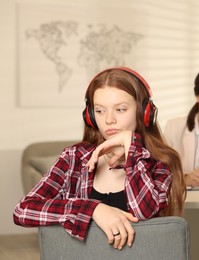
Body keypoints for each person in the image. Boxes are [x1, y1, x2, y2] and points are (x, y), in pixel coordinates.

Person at [13, 67, 186, 250]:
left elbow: (143, 212)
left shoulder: (161, 163)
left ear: (144, 112)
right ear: (91, 116)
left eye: (120, 109)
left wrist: (131, 147)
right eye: (100, 111)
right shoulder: (74, 158)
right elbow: (23, 210)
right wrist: (93, 209)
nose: (109, 119)